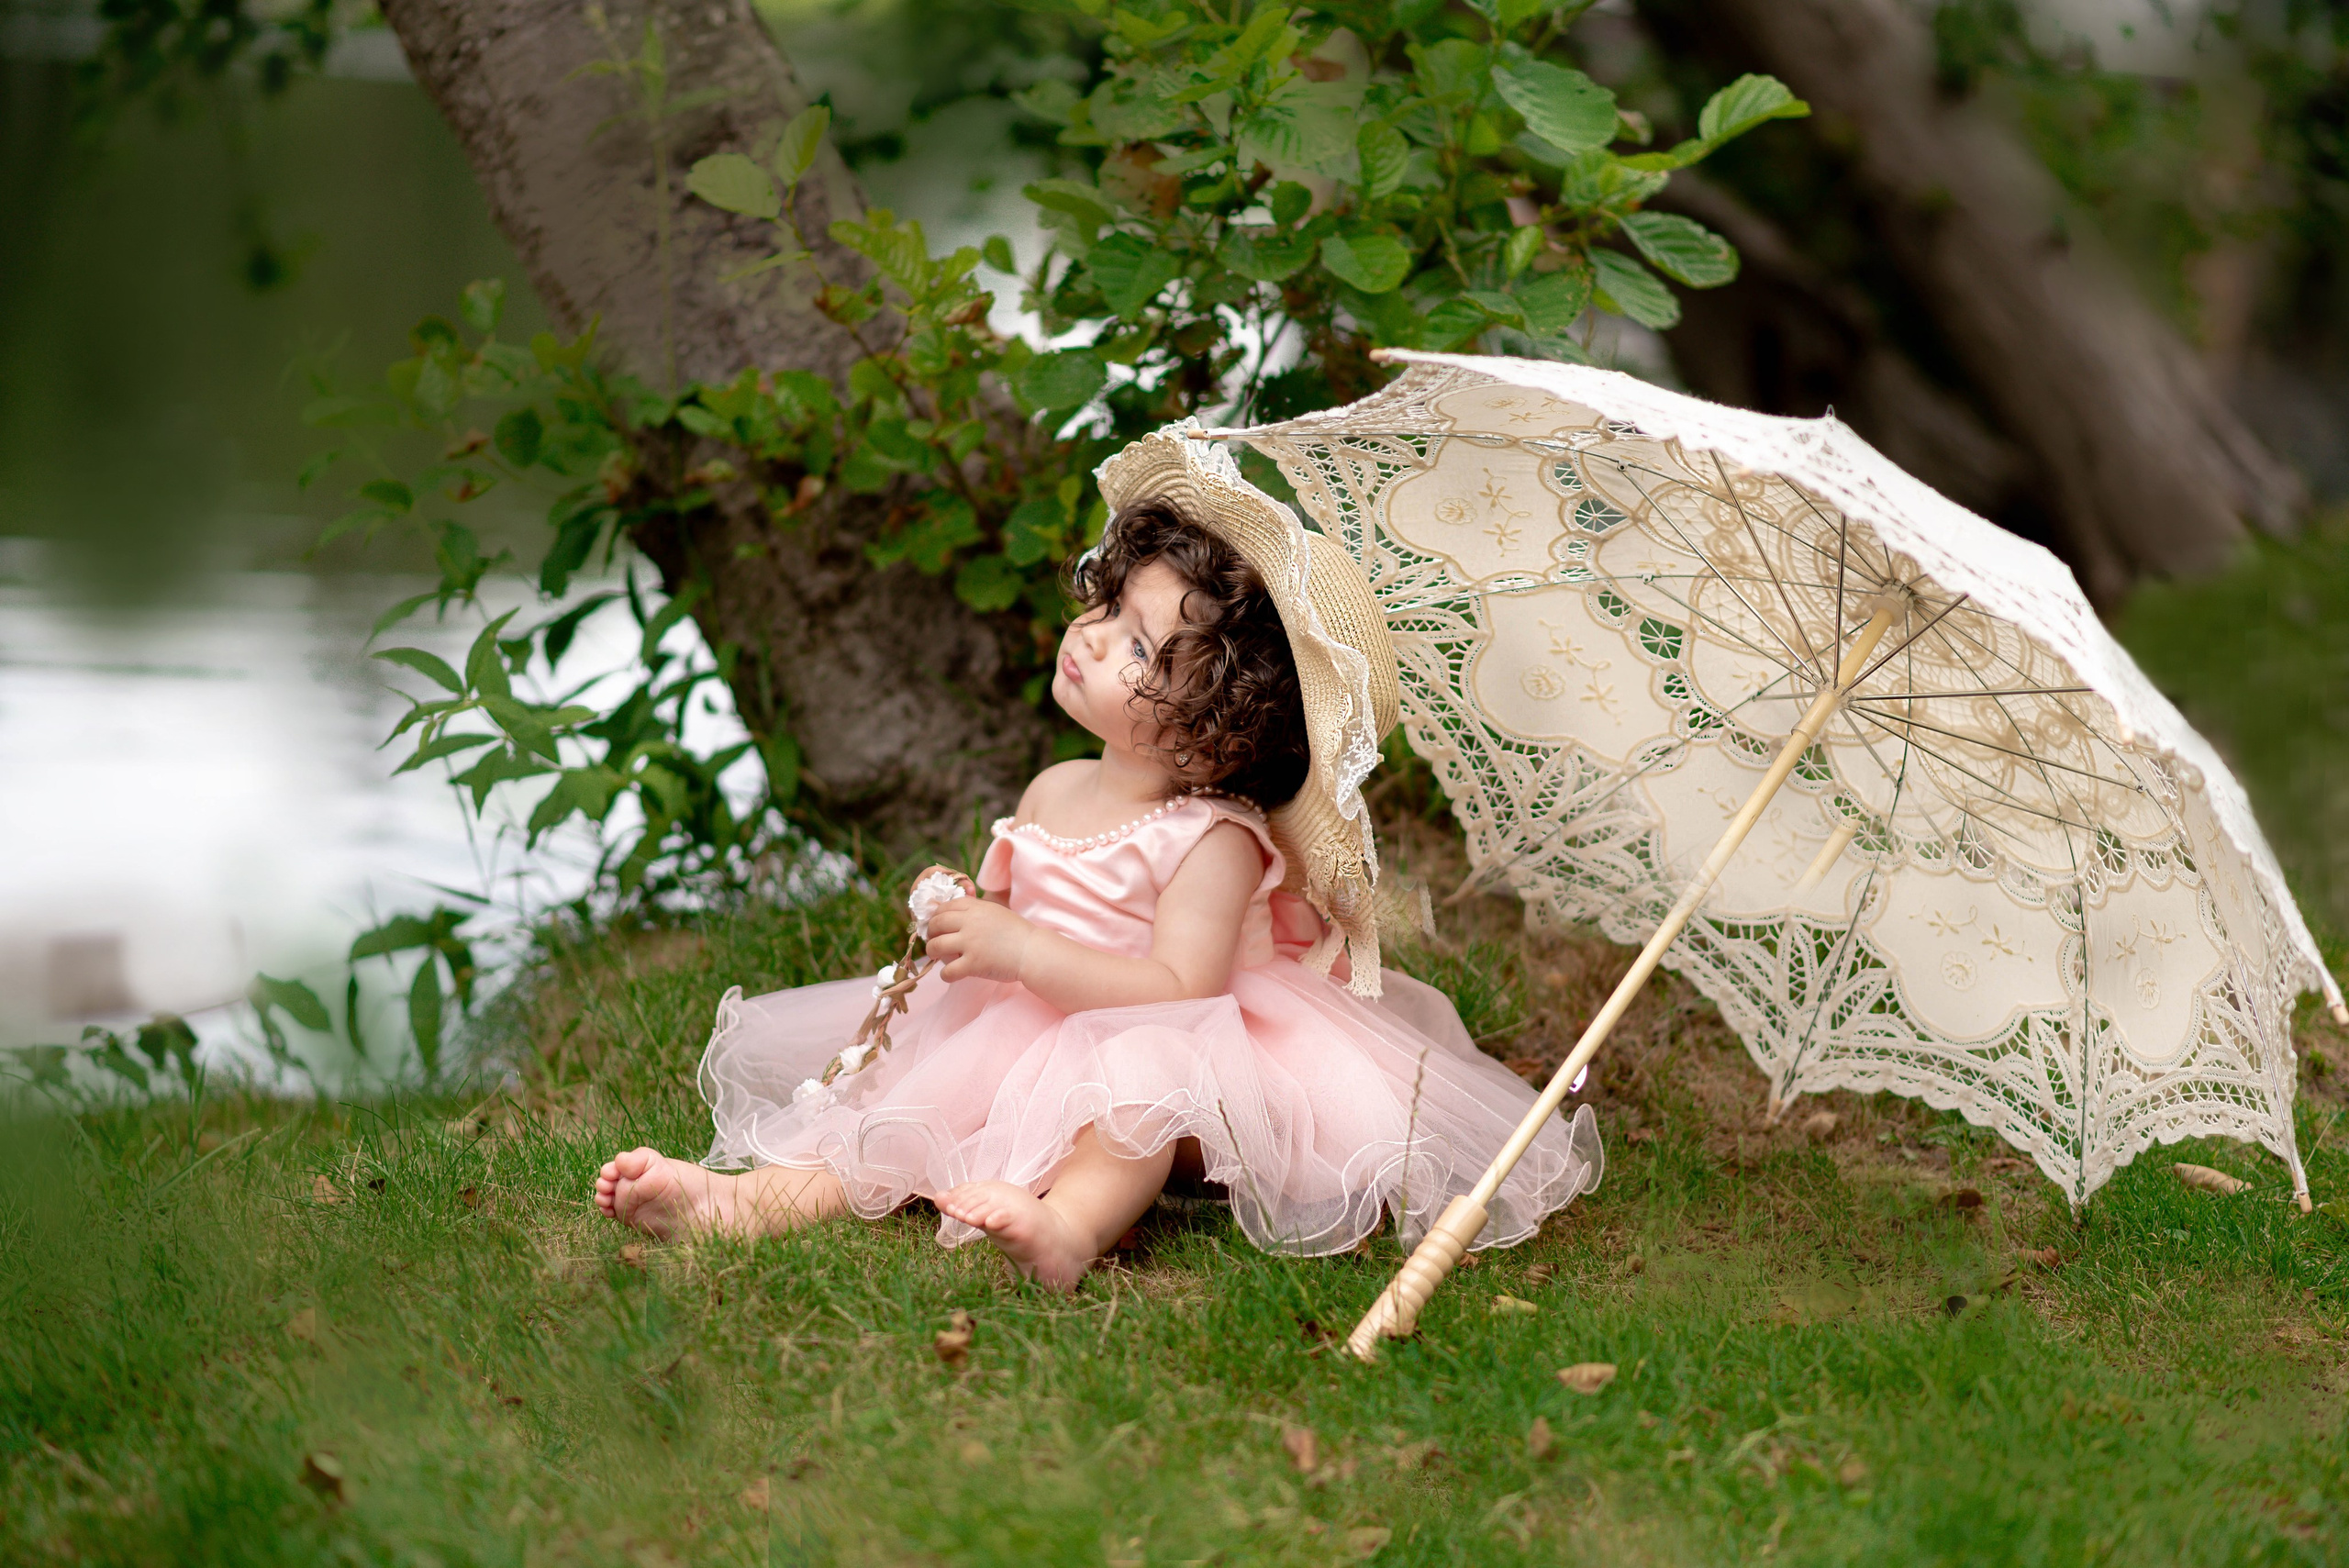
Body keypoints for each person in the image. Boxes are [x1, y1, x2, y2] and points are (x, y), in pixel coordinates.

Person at [594, 426, 1602, 1290]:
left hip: (1167, 1037)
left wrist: (1022, 950)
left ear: (1216, 734)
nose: (1093, 635)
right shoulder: (1052, 788)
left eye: (1136, 651)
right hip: (1029, 1020)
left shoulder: (1206, 841)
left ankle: (1071, 1226)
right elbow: (1002, 904)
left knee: (1138, 1087)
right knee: (907, 1090)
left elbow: (1178, 991)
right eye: (1112, 608)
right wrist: (957, 911)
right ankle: (743, 1204)